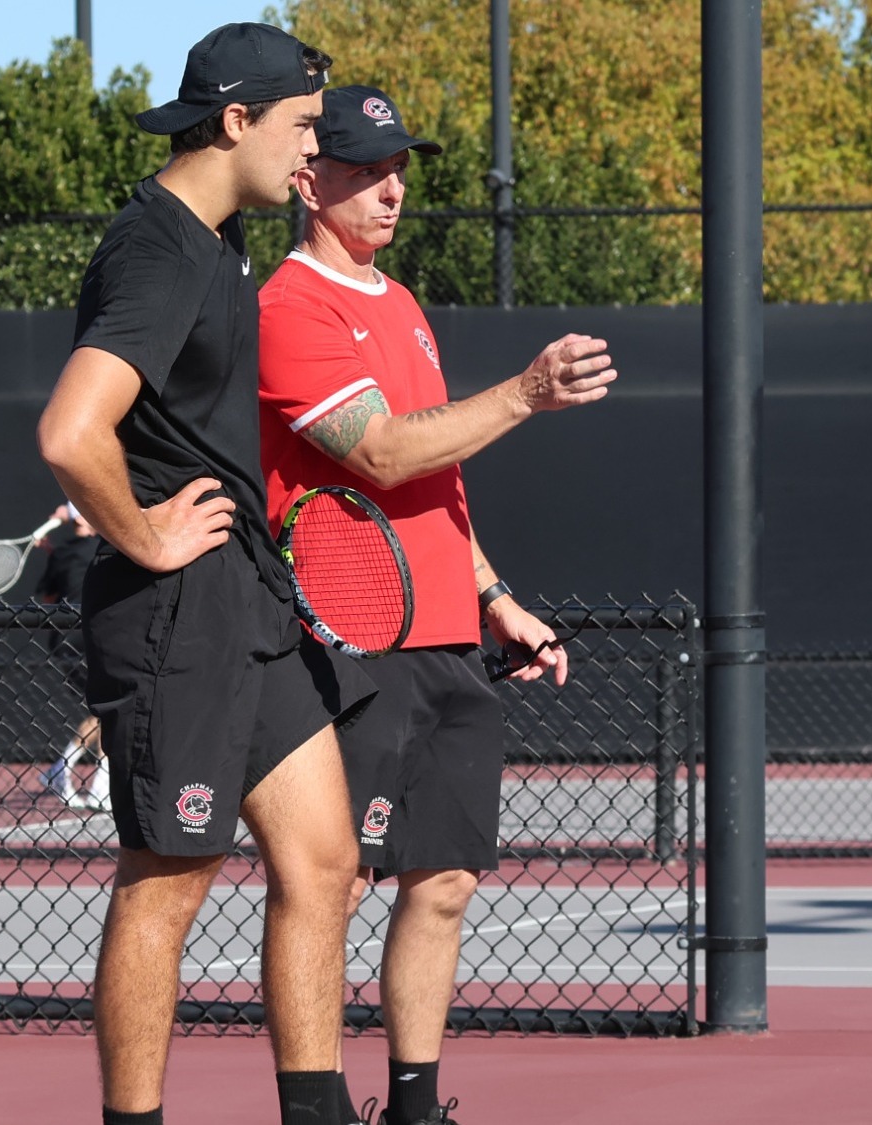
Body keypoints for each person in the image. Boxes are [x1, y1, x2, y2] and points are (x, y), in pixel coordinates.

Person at [35, 24, 377, 1125]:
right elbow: (67, 431)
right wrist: (137, 532)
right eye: (302, 130)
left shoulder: (219, 240)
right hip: (173, 614)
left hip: (245, 600)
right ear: (235, 121)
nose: (313, 155)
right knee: (166, 884)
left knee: (324, 864)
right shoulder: (158, 251)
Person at [257, 86, 616, 1125]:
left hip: (446, 640)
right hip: (345, 646)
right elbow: (376, 452)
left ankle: (413, 1108)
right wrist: (522, 395)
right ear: (306, 179)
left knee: (445, 880)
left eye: (398, 167)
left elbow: (433, 479)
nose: (391, 187)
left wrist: (494, 595)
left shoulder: (399, 302)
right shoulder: (287, 307)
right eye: (366, 169)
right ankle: (313, 1110)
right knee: (335, 887)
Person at [34, 503, 109, 811]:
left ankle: (65, 773)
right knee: (107, 711)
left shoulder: (61, 554)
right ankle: (96, 786)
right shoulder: (105, 551)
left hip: (62, 643)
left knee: (104, 711)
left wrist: (52, 551)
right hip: (91, 641)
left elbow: (49, 599)